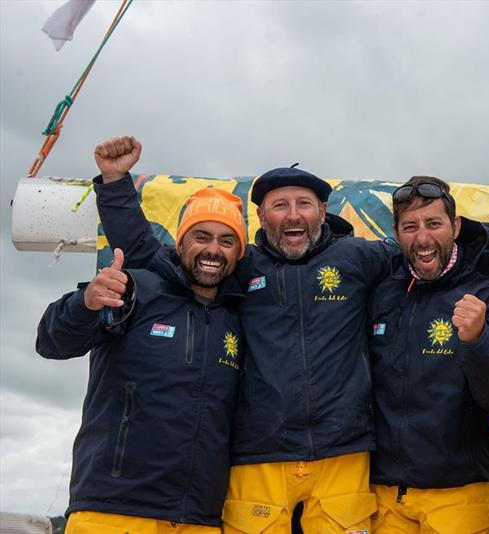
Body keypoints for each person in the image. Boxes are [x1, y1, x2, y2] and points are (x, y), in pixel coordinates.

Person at [91, 148, 390, 533]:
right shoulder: (239, 265)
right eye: (280, 205)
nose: (294, 214)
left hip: (343, 448)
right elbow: (149, 258)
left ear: (322, 210)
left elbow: (427, 253)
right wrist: (116, 184)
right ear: (261, 218)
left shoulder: (358, 257)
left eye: (304, 203)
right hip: (259, 450)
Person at [36, 169, 248, 533]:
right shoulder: (137, 290)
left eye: (227, 241)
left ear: (239, 253)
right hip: (112, 510)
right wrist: (84, 303)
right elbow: (52, 342)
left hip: (199, 518)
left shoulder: (240, 319)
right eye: (201, 236)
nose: (213, 249)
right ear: (181, 243)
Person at [368, 176, 489, 533]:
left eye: (434, 224)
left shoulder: (484, 293)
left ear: (456, 226)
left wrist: (477, 340)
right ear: (396, 233)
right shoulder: (380, 292)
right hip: (386, 497)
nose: (423, 239)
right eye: (410, 227)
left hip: (461, 495)